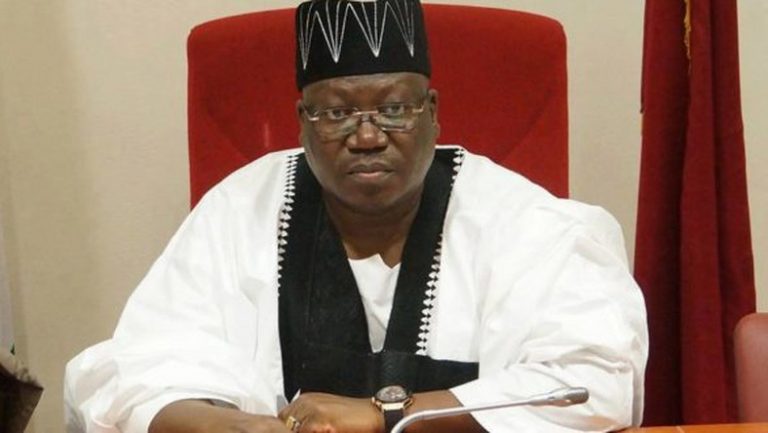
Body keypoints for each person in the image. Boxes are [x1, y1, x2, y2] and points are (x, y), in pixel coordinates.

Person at [64, 1, 648, 432]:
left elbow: (593, 384)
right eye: (336, 113)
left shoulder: (524, 222)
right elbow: (135, 373)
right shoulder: (240, 211)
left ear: (433, 112)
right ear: (301, 121)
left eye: (394, 108)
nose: (367, 136)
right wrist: (234, 426)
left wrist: (383, 414)